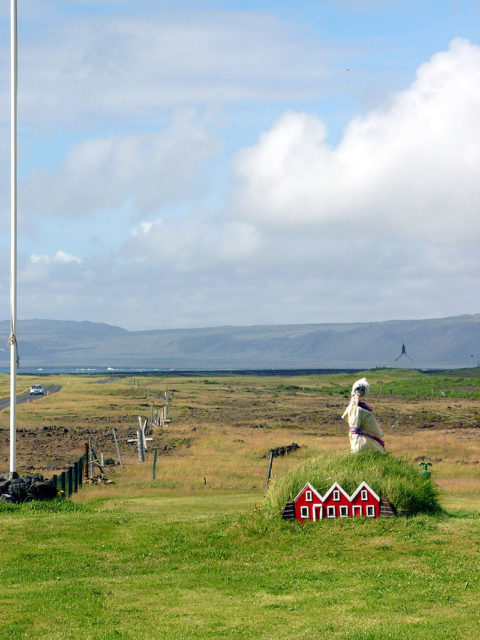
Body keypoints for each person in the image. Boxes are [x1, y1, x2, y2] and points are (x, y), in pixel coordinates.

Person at [341, 377, 385, 453]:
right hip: (356, 434)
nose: (359, 391)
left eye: (362, 390)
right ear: (354, 389)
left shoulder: (357, 405)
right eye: (358, 389)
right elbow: (355, 418)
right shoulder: (355, 405)